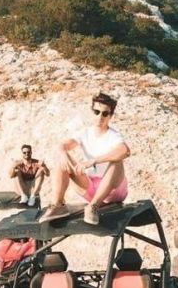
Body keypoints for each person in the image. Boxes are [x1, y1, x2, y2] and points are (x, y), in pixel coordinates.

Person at [41, 92, 130, 224]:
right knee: (62, 157)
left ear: (110, 116)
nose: (100, 117)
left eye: (105, 113)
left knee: (117, 161)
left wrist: (94, 160)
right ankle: (58, 204)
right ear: (92, 112)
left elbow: (125, 151)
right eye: (97, 112)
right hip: (90, 188)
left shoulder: (113, 136)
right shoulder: (85, 133)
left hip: (113, 191)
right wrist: (63, 152)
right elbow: (63, 145)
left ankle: (93, 206)